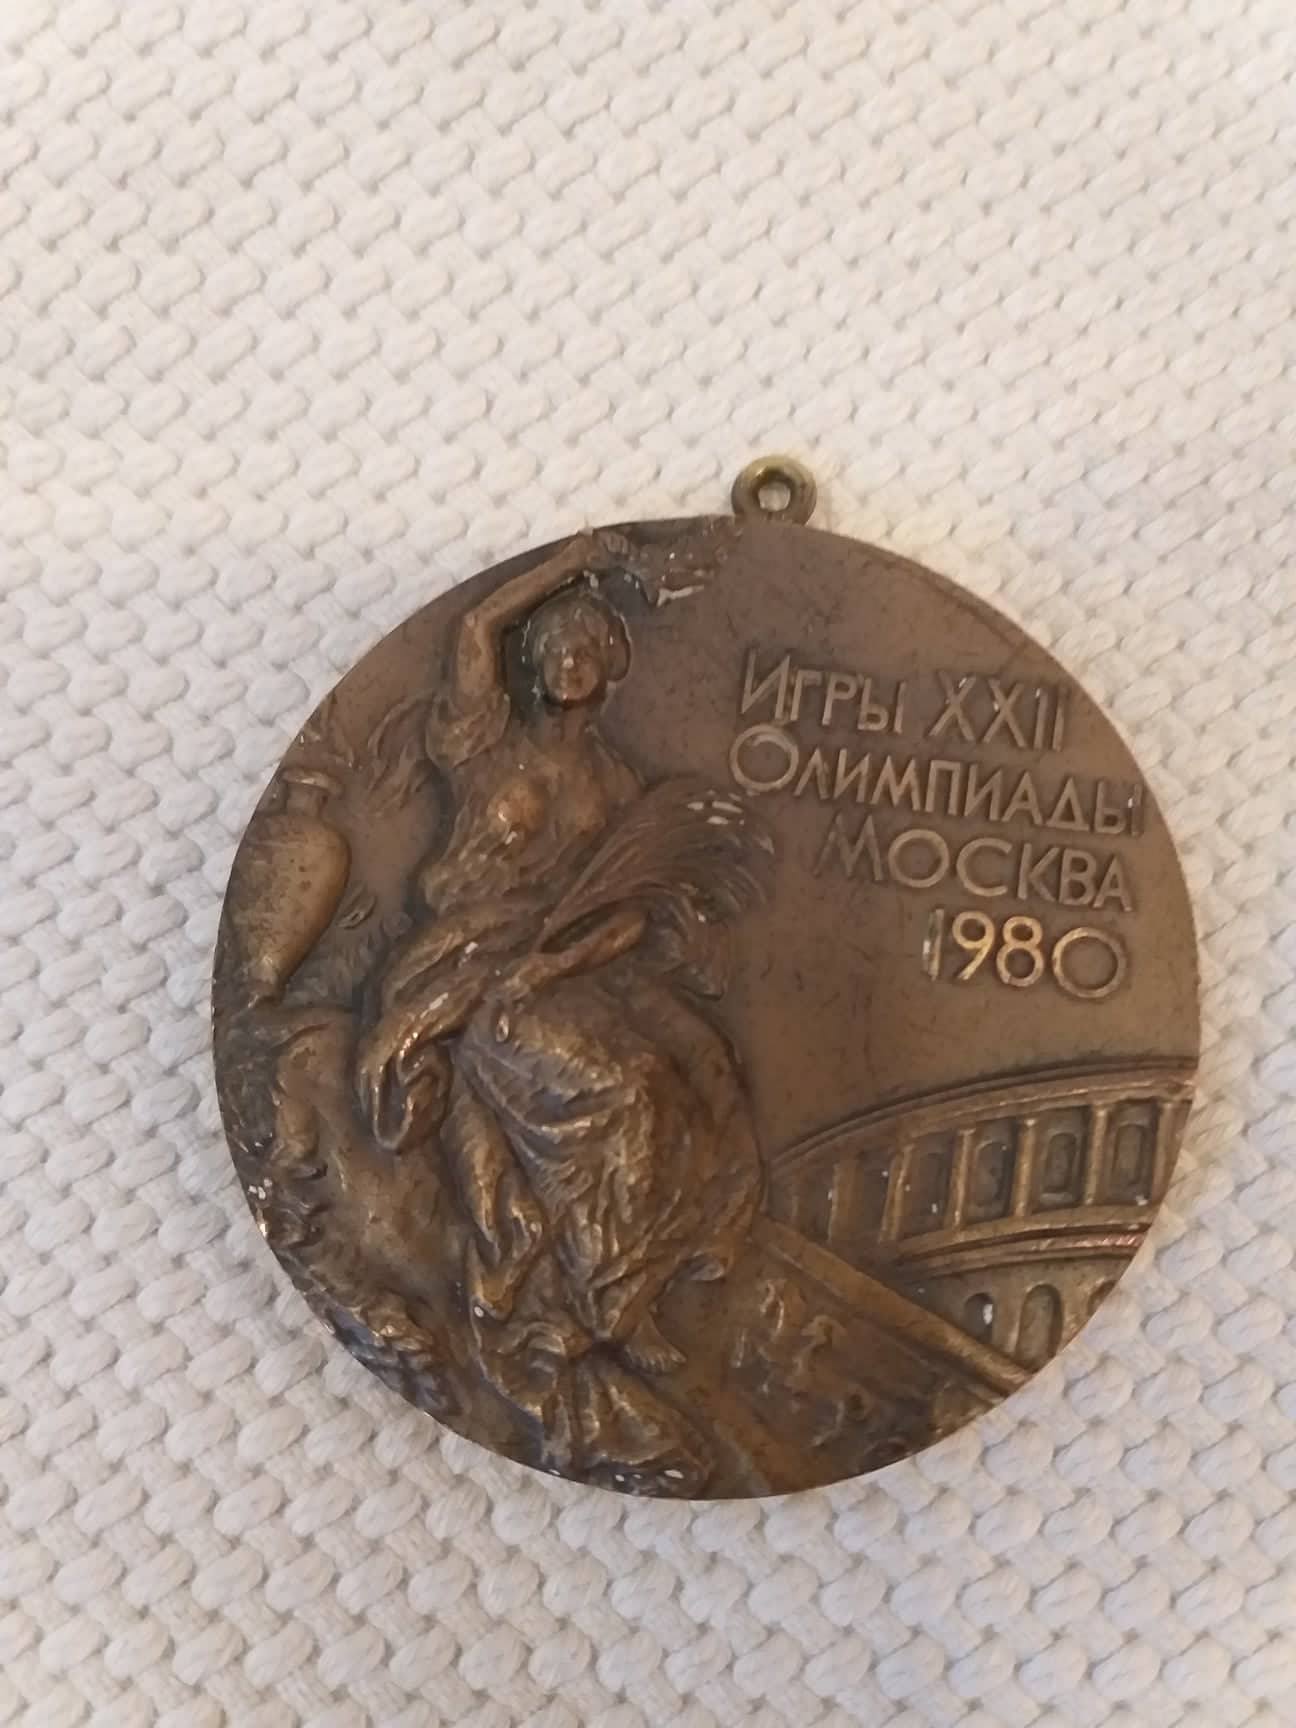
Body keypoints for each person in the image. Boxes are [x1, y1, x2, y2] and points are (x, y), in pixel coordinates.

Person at [354, 525, 771, 1491]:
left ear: (611, 665)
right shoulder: (485, 743)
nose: (571, 657)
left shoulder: (618, 783)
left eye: (588, 644)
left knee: (709, 1066)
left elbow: (625, 915)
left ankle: (662, 1265)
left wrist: (556, 964)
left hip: (559, 968)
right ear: (534, 661)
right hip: (465, 961)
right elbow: (476, 627)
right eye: (555, 644)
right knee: (629, 1089)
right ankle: (602, 1300)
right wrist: (585, 558)